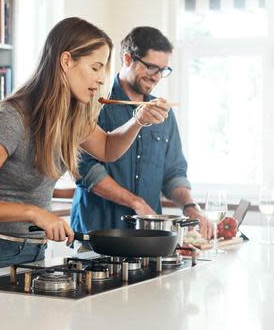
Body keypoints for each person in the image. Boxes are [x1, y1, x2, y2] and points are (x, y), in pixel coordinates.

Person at [0, 18, 170, 275]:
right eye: (96, 67)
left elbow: (108, 148)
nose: (101, 80)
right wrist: (34, 213)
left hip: (34, 252)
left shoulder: (69, 117)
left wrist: (139, 120)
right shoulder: (11, 118)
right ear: (66, 61)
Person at [70, 26, 213, 243]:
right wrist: (136, 202)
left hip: (148, 238)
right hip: (96, 233)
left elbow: (173, 172)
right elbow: (85, 170)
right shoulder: (92, 103)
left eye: (163, 70)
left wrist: (190, 207)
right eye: (151, 68)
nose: (157, 77)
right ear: (128, 59)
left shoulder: (163, 113)